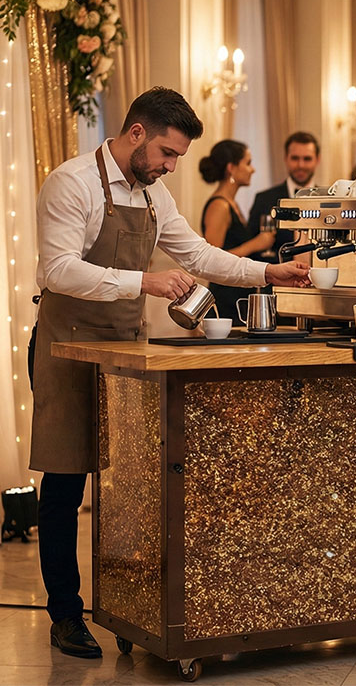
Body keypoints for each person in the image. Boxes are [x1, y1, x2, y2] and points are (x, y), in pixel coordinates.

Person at [29, 87, 309, 659]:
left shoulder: (155, 194)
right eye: (167, 152)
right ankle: (65, 614)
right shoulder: (71, 182)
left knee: (130, 486)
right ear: (136, 133)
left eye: (178, 156)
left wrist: (267, 274)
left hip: (126, 349)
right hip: (66, 345)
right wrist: (145, 282)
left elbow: (200, 255)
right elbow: (58, 270)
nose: (172, 166)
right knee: (65, 483)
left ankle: (128, 607)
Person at [199, 140, 274, 324]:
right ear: (231, 168)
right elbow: (212, 261)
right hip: (225, 299)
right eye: (248, 163)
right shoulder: (219, 206)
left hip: (237, 294)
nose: (252, 170)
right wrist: (254, 245)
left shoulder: (231, 203)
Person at [248, 131, 320, 261]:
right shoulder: (264, 199)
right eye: (295, 158)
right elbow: (252, 250)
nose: (301, 165)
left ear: (317, 160)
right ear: (286, 159)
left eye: (307, 159)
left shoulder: (329, 199)